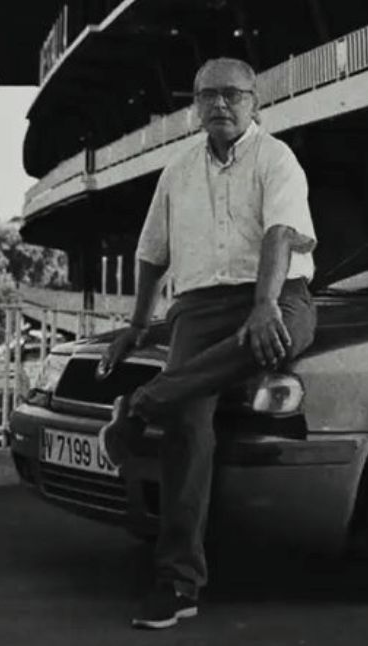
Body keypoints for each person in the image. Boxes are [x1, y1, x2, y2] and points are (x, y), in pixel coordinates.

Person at [95, 56, 319, 630]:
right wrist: (140, 323)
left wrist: (264, 304)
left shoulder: (278, 159)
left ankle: (144, 402)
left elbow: (281, 234)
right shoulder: (177, 170)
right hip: (197, 305)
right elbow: (152, 252)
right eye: (207, 95)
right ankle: (177, 584)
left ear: (255, 103)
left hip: (278, 293)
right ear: (194, 105)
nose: (220, 104)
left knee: (272, 340)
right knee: (189, 428)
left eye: (232, 95)